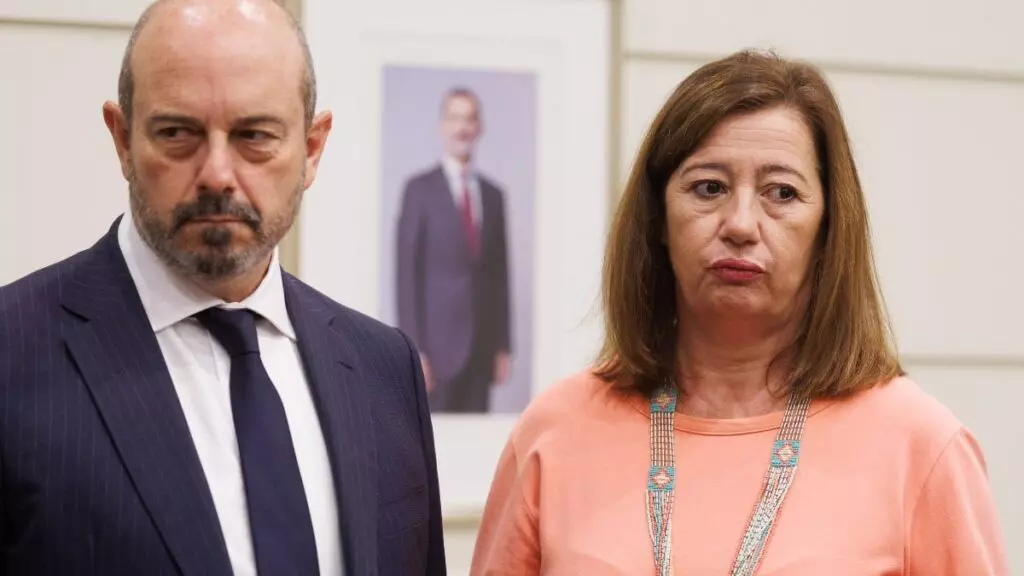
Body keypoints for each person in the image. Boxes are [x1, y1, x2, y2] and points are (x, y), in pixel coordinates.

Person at [471, 50, 1009, 575]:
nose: (741, 224)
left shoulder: (920, 445)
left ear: (828, 230)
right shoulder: (555, 432)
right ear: (658, 218)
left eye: (782, 192)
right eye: (709, 188)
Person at [0, 0, 446, 574]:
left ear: (312, 148)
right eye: (177, 133)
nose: (216, 173)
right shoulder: (13, 354)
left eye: (254, 135)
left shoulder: (384, 367)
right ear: (122, 139)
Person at [396, 87, 512, 413]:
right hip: (435, 353)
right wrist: (414, 351)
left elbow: (500, 275)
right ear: (442, 126)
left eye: (470, 118)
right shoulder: (418, 190)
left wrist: (502, 346)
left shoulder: (494, 195)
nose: (463, 127)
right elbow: (406, 275)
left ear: (480, 128)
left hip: (481, 351)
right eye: (455, 118)